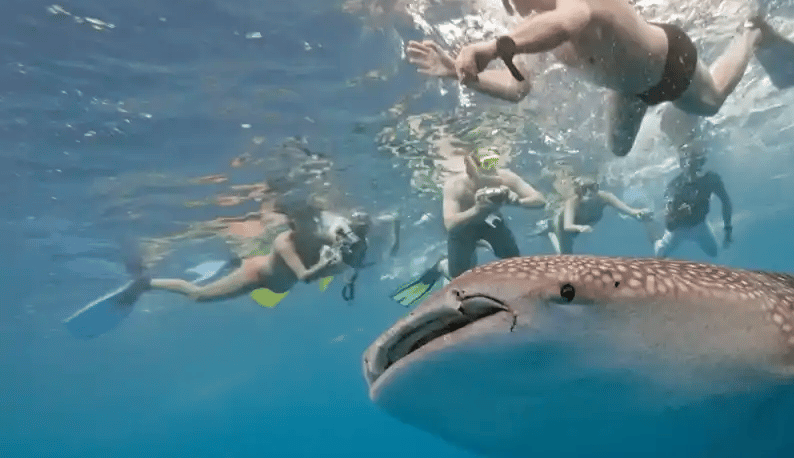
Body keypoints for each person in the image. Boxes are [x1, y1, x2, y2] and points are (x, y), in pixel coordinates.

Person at [404, 0, 794, 157]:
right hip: (630, 91)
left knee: (713, 101)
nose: (510, 8)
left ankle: (754, 33)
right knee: (618, 149)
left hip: (669, 60)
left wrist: (491, 46)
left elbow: (569, 21)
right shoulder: (532, 26)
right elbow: (517, 89)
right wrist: (463, 77)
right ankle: (668, 113)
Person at [391, 148, 545, 306]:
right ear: (469, 169)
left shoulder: (505, 177)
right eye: (483, 170)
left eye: (492, 168)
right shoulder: (455, 185)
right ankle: (441, 266)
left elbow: (540, 200)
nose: (489, 178)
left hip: (490, 221)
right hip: (463, 227)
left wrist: (517, 202)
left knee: (514, 261)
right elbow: (450, 223)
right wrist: (477, 209)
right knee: (460, 278)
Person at [145, 195, 368, 302]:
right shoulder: (284, 243)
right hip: (256, 276)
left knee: (240, 259)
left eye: (312, 220)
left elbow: (347, 244)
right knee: (198, 295)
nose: (310, 226)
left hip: (275, 280)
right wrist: (326, 262)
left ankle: (232, 261)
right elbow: (304, 277)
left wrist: (356, 243)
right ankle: (146, 283)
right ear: (292, 223)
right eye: (304, 221)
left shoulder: (318, 235)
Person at [539, 174, 651, 255]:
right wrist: (580, 227)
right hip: (564, 225)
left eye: (591, 188)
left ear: (596, 188)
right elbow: (567, 226)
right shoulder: (572, 202)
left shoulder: (605, 197)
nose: (588, 194)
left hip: (583, 223)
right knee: (565, 255)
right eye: (584, 190)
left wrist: (638, 213)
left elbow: (628, 210)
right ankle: (551, 233)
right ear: (578, 192)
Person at [651, 150, 733, 259]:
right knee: (659, 255)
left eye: (693, 161)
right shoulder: (674, 185)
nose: (689, 164)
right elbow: (669, 222)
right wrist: (676, 214)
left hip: (700, 225)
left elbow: (726, 202)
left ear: (701, 161)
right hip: (679, 228)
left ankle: (711, 227)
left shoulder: (711, 179)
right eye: (686, 161)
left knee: (714, 252)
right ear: (681, 163)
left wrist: (728, 228)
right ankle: (654, 238)